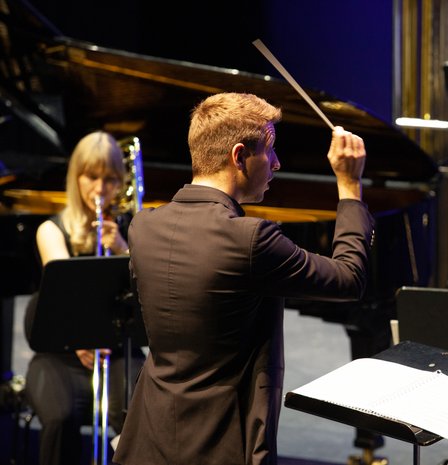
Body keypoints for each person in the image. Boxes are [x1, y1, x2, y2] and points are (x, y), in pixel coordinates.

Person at [112, 92, 374, 465]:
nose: (277, 163)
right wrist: (349, 187)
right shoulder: (251, 239)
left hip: (148, 436)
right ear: (239, 156)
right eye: (270, 150)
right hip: (222, 441)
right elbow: (349, 278)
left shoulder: (143, 226)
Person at [23, 131, 145, 465]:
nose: (100, 189)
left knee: (140, 419)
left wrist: (123, 248)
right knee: (60, 418)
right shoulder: (52, 229)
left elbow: (151, 286)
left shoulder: (132, 230)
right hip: (60, 354)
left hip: (119, 350)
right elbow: (63, 295)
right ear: (76, 177)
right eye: (92, 177)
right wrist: (82, 339)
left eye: (110, 179)